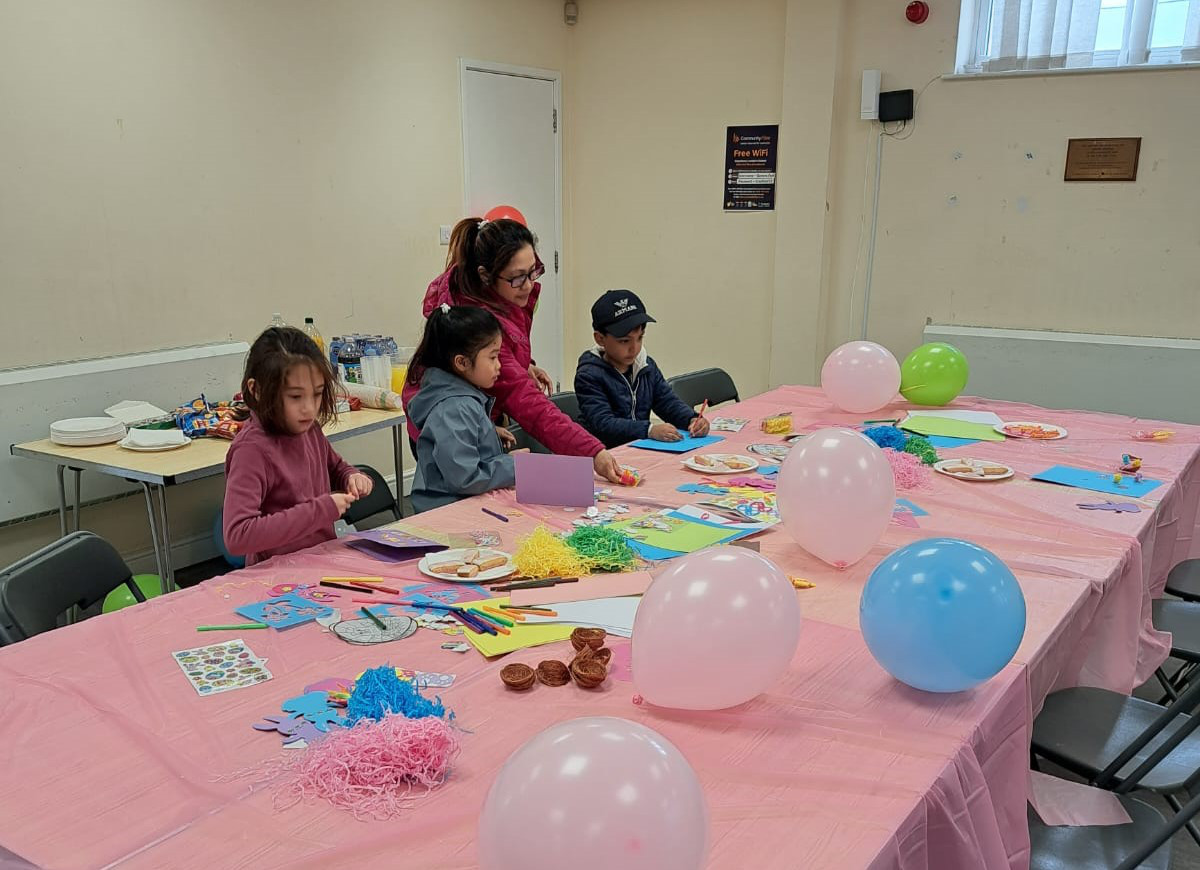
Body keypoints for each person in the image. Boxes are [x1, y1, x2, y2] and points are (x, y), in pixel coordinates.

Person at [402, 216, 622, 483]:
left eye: (534, 271)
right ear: (485, 275)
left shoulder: (485, 295)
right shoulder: (476, 319)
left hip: (474, 420)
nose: (529, 284)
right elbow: (531, 406)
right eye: (518, 278)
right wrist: (592, 452)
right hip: (454, 430)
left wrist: (523, 364)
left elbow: (503, 349)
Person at [223, 326, 373, 565]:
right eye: (295, 397)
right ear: (256, 390)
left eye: (317, 394)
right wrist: (320, 510)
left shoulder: (308, 428)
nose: (309, 408)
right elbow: (238, 535)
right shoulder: (251, 450)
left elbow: (335, 468)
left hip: (319, 564)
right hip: (275, 580)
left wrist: (351, 477)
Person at [407, 304, 520, 512]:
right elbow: (465, 477)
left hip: (463, 503)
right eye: (493, 357)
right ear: (462, 362)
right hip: (448, 511)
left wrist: (486, 432)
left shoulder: (458, 398)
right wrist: (514, 466)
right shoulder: (454, 407)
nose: (499, 366)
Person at [574, 290, 710, 449]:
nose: (634, 348)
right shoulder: (589, 375)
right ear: (600, 339)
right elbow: (603, 423)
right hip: (603, 454)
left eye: (640, 338)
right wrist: (649, 430)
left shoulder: (646, 366)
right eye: (624, 341)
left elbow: (666, 401)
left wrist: (692, 420)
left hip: (636, 448)